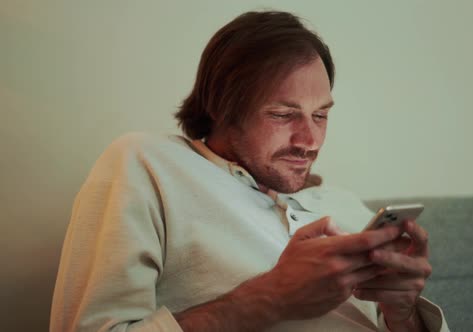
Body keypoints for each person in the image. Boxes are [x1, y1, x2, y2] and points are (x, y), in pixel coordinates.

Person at [50, 10, 449, 332]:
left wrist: (404, 314)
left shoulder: (339, 202)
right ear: (222, 108)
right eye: (282, 114)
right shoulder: (147, 165)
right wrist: (270, 298)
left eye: (321, 115)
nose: (309, 140)